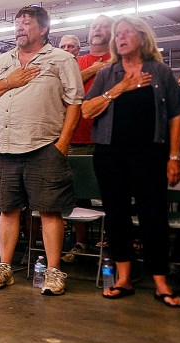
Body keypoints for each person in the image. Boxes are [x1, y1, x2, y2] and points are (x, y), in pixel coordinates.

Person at [0, 5, 84, 295]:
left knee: (50, 211)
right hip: (6, 148)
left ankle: (54, 271)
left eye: (27, 23)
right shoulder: (2, 62)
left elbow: (75, 103)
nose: (20, 28)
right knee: (7, 210)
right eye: (18, 24)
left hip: (45, 146)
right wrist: (9, 82)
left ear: (44, 29)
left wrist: (62, 144)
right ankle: (5, 268)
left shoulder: (61, 59)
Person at [81, 15, 180, 307]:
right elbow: (87, 111)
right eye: (118, 34)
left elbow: (177, 115)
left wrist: (174, 157)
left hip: (149, 154)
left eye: (127, 32)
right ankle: (124, 278)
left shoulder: (161, 72)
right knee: (116, 215)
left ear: (142, 37)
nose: (121, 37)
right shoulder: (108, 73)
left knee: (154, 216)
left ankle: (161, 282)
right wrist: (120, 89)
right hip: (110, 154)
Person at [63, 15, 115, 264]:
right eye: (94, 26)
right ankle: (80, 242)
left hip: (111, 139)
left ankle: (114, 244)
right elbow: (66, 91)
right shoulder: (77, 62)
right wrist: (93, 70)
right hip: (78, 138)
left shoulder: (121, 59)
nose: (98, 30)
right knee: (78, 194)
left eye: (104, 26)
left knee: (112, 192)